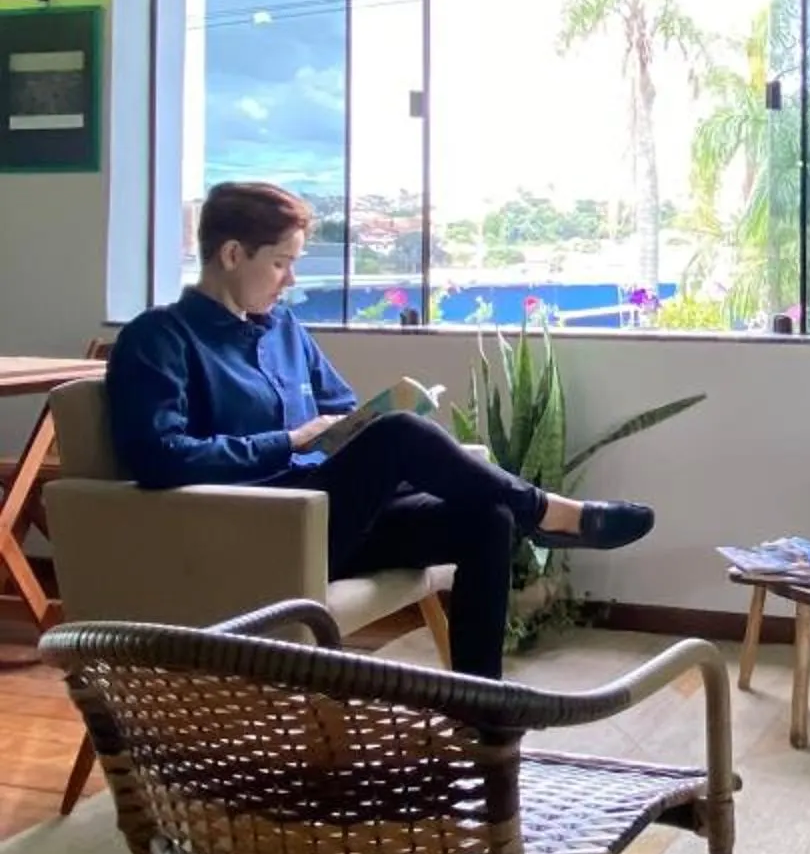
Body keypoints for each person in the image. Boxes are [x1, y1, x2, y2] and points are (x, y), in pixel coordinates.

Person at [105, 180, 655, 679]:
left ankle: (480, 714)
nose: (291, 280)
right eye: (280, 264)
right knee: (397, 437)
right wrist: (289, 440)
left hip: (333, 518)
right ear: (230, 254)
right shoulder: (158, 339)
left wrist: (350, 427)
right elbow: (160, 457)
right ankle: (549, 513)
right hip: (254, 533)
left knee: (485, 517)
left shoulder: (285, 329)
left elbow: (343, 408)